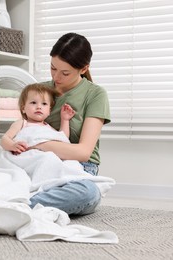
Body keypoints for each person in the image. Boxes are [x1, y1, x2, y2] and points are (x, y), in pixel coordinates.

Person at [27, 32, 111, 215]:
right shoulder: (39, 91)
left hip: (79, 167)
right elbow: (24, 131)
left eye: (65, 73)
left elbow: (83, 152)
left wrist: (39, 145)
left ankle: (18, 204)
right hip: (38, 161)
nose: (56, 77)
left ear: (83, 68)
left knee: (87, 194)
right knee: (3, 178)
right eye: (52, 68)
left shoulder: (95, 95)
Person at [1, 83, 75, 155]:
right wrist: (12, 146)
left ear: (49, 111)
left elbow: (62, 138)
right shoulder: (22, 123)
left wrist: (65, 120)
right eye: (33, 102)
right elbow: (5, 138)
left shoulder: (47, 127)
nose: (39, 107)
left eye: (44, 104)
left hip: (45, 156)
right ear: (23, 108)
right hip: (28, 155)